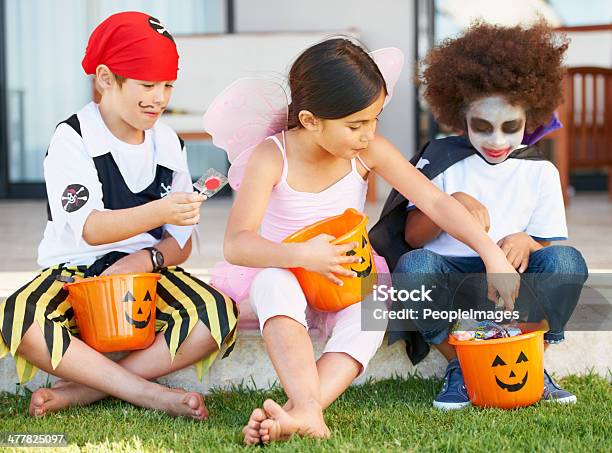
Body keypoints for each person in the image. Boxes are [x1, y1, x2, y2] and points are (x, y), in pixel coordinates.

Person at [204, 38, 519, 444]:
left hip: (349, 273)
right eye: (356, 125)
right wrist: (301, 255)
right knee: (272, 284)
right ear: (311, 120)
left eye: (375, 120)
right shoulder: (272, 156)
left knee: (372, 311)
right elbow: (237, 244)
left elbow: (436, 202)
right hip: (286, 266)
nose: (368, 134)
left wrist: (491, 254)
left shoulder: (366, 150)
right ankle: (307, 409)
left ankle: (303, 412)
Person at [0, 11, 237, 419]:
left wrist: (144, 259)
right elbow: (91, 229)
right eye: (147, 85)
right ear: (106, 79)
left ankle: (85, 390)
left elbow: (179, 246)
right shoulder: (73, 137)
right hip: (74, 275)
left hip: (146, 276)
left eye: (167, 85)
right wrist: (161, 209)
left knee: (217, 313)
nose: (159, 98)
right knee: (19, 316)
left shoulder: (168, 141)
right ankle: (147, 393)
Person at [370, 21, 588, 410]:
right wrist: (450, 202)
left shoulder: (539, 172)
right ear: (460, 115)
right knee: (414, 266)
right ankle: (461, 366)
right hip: (450, 281)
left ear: (531, 118)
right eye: (482, 127)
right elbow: (414, 238)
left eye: (511, 128)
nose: (497, 141)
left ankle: (532, 361)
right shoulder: (440, 162)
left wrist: (527, 241)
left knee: (567, 261)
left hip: (513, 286)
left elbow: (548, 246)